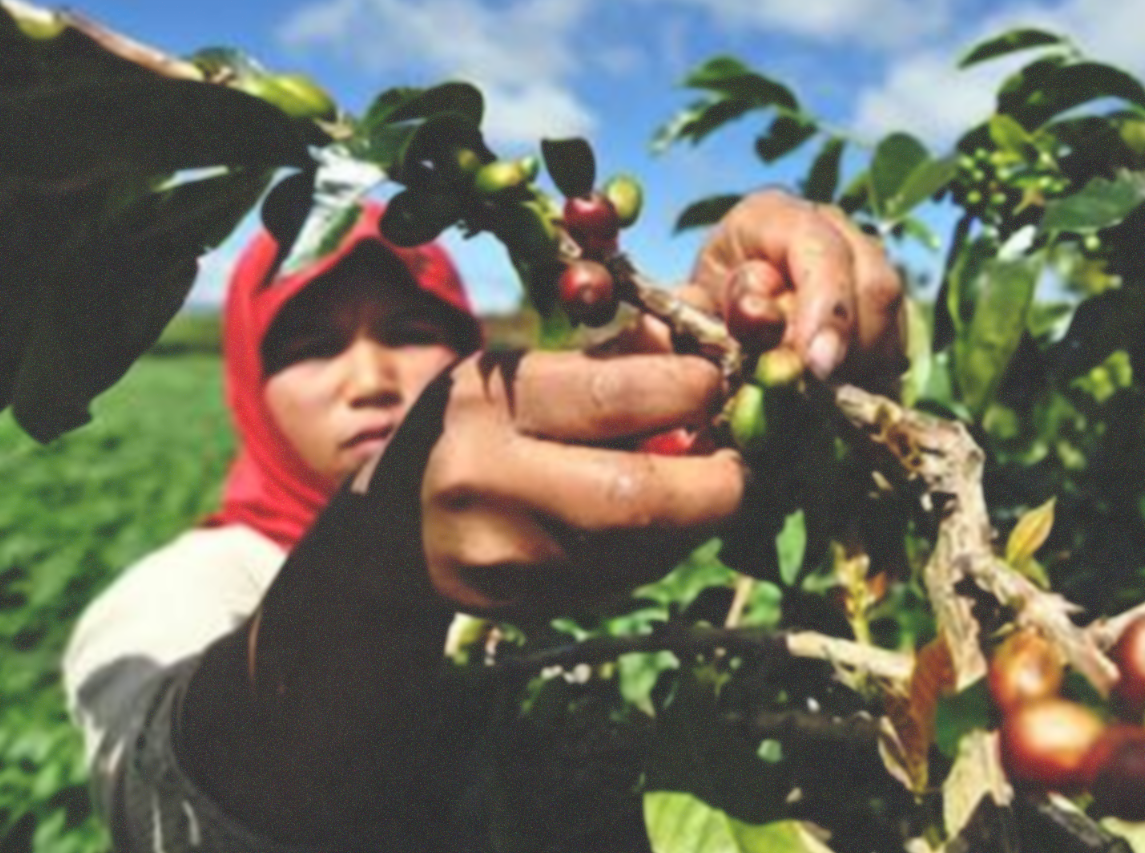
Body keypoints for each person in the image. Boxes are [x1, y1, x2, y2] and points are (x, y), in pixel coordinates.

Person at [61, 189, 905, 852]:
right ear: (246, 378)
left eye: (408, 328)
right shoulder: (179, 591)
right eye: (310, 346)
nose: (369, 378)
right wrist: (370, 580)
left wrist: (773, 345)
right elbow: (169, 811)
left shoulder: (559, 517)